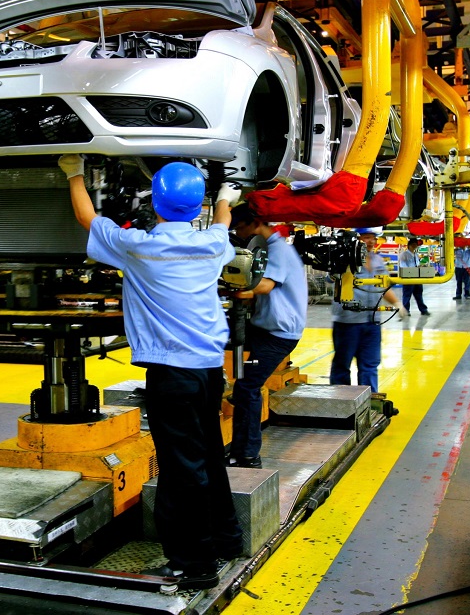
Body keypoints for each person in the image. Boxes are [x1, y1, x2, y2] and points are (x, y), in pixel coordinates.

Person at [60, 155, 242, 591]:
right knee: (209, 456)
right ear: (196, 207)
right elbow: (222, 222)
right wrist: (223, 199)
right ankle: (227, 538)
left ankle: (195, 564)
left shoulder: (137, 245)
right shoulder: (213, 245)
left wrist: (73, 171)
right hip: (207, 370)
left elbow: (88, 218)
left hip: (171, 375)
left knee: (183, 470)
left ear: (156, 204)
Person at [228, 203, 307, 469]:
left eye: (241, 228)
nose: (239, 234)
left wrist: (229, 281)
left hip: (279, 334)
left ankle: (248, 455)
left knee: (248, 387)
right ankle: (229, 397)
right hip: (264, 328)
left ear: (255, 223)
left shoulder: (278, 249)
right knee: (217, 341)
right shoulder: (270, 248)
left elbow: (263, 285)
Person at [330, 229, 395, 392]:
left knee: (370, 365)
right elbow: (331, 278)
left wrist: (398, 303)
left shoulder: (378, 259)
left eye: (373, 238)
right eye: (367, 238)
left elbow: (384, 285)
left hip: (372, 321)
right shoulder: (343, 259)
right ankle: (340, 402)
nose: (371, 241)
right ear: (356, 239)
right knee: (342, 365)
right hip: (348, 322)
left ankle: (370, 401)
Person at [399, 238, 430, 315]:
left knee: (419, 295)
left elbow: (417, 264)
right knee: (407, 295)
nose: (414, 246)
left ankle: (423, 310)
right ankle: (405, 311)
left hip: (417, 277)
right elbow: (403, 266)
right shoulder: (404, 254)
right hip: (408, 278)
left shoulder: (415, 254)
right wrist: (410, 273)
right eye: (413, 245)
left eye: (416, 245)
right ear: (409, 245)